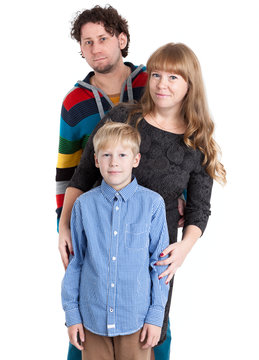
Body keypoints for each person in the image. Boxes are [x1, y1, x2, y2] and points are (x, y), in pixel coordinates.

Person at [62, 42, 227, 359]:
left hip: (153, 252)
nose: (162, 84)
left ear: (190, 84)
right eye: (156, 75)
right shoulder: (124, 116)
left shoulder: (196, 142)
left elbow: (199, 210)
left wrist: (183, 249)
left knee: (151, 331)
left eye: (173, 78)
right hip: (101, 237)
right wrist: (65, 227)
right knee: (89, 328)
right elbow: (82, 175)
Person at [57, 6, 181, 359]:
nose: (96, 48)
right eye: (87, 42)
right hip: (90, 214)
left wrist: (182, 195)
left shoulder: (150, 83)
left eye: (104, 39)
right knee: (88, 309)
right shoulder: (74, 102)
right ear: (81, 48)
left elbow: (178, 135)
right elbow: (67, 170)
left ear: (121, 40)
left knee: (154, 316)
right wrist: (63, 224)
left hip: (148, 213)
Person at [62, 121, 170, 359]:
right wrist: (72, 314)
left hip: (136, 320)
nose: (114, 162)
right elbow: (76, 263)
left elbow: (160, 265)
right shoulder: (83, 206)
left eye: (122, 154)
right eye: (107, 154)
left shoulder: (152, 205)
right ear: (96, 160)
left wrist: (155, 315)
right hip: (92, 319)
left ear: (136, 159)